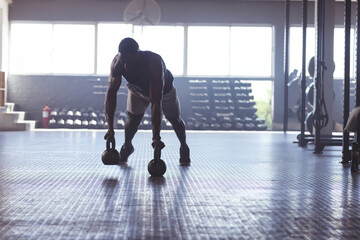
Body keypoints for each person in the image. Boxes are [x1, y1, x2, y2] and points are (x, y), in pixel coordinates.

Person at [104, 37, 190, 166]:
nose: (126, 66)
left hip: (164, 91)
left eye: (130, 62)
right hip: (137, 90)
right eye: (124, 61)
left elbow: (156, 102)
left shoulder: (154, 62)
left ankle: (184, 146)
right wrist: (110, 128)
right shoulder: (117, 63)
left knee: (174, 119)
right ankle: (127, 146)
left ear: (138, 55)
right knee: (133, 119)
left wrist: (156, 138)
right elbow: (111, 94)